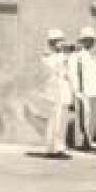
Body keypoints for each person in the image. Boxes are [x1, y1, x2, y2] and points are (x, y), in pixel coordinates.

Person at [41, 29, 73, 159]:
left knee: (62, 120)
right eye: (57, 41)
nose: (60, 44)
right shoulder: (47, 55)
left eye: (61, 41)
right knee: (54, 120)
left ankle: (59, 147)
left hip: (63, 90)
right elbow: (52, 67)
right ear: (51, 43)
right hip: (54, 92)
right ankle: (51, 148)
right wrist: (63, 54)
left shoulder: (63, 56)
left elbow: (68, 73)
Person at [71, 25, 96, 151]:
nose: (90, 42)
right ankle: (80, 142)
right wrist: (76, 90)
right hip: (83, 91)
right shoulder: (77, 56)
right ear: (82, 41)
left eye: (92, 40)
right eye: (87, 39)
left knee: (92, 117)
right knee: (82, 117)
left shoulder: (93, 57)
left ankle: (89, 141)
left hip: (94, 91)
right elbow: (74, 74)